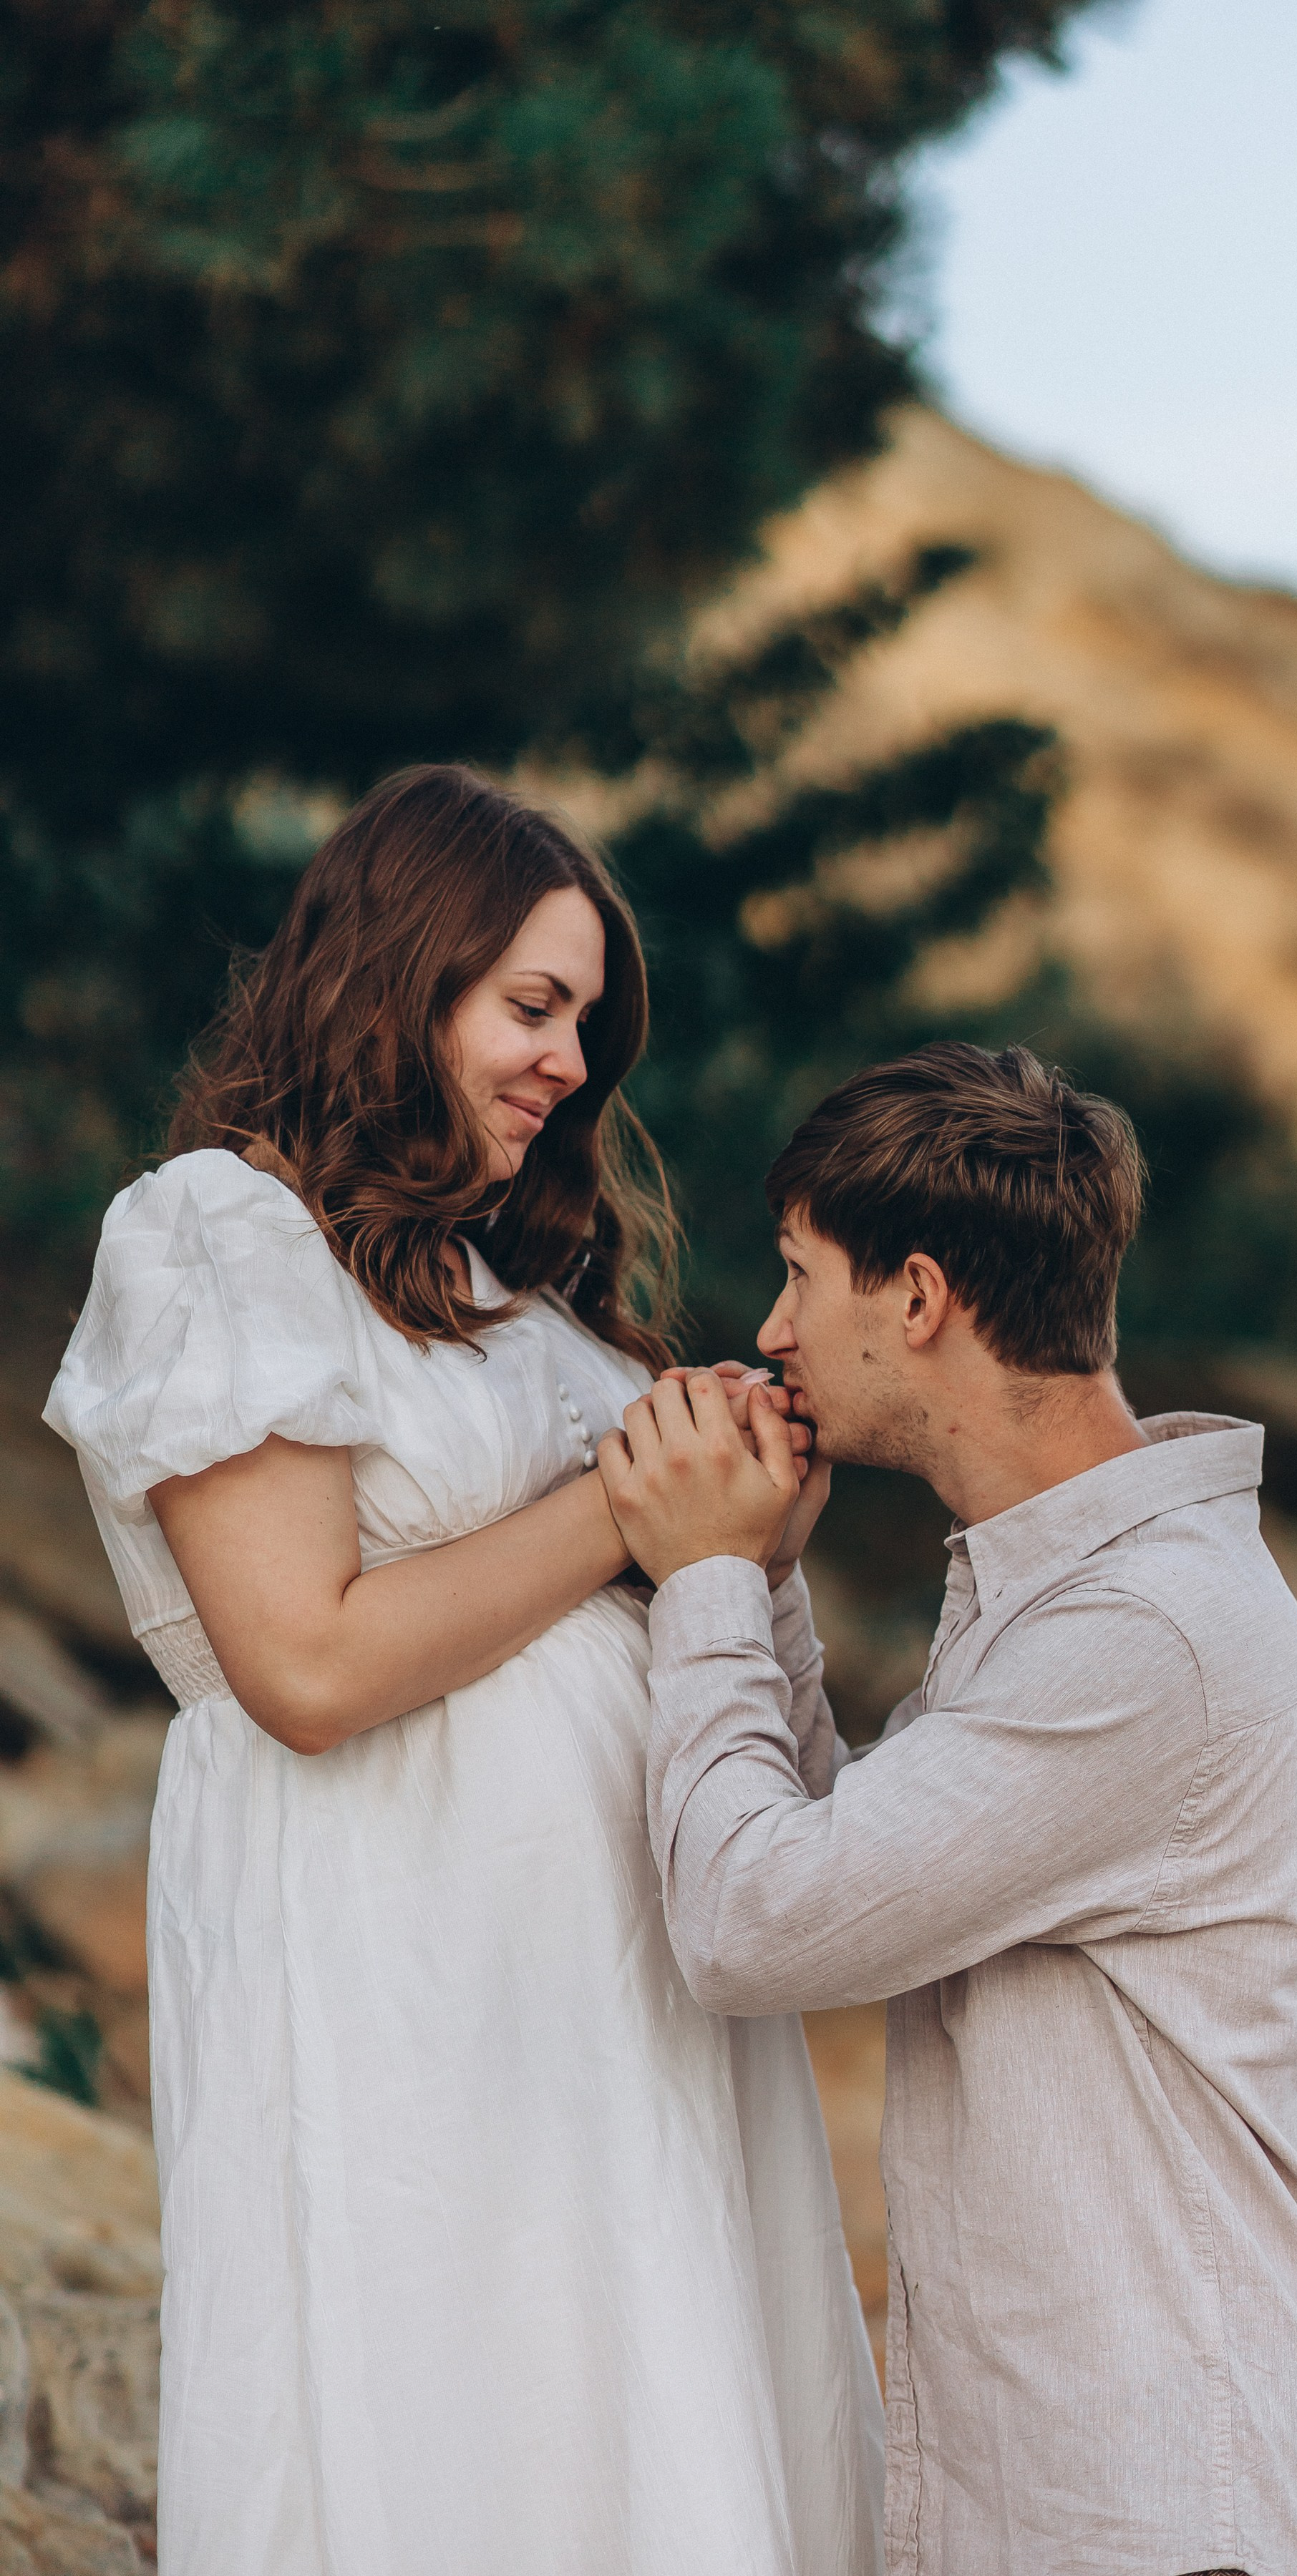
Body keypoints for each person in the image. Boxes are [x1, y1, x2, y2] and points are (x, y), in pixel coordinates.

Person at [45, 766, 883, 2576]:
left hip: (621, 1995)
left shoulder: (526, 1295)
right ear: (394, 977)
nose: (572, 1063)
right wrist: (629, 1509)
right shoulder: (218, 1233)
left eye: (587, 1022)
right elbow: (307, 1662)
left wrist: (741, 1526)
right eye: (532, 1006)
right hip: (401, 1969)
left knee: (650, 2425)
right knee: (456, 2421)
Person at [598, 1040, 1297, 2576]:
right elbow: (869, 1869)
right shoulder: (1071, 1596)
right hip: (1139, 2486)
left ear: (916, 1299)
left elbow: (752, 1923)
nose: (775, 1331)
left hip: (1192, 2504)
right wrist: (772, 1590)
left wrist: (706, 1582)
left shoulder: (1140, 1637)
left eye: (800, 1276)